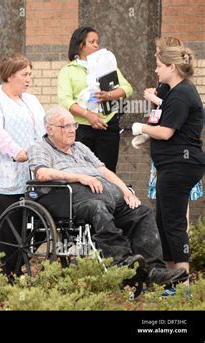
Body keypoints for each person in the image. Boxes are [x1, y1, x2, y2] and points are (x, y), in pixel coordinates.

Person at [28, 105, 188, 285]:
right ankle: (122, 263)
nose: (72, 130)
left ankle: (154, 270)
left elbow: (105, 172)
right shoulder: (39, 147)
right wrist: (80, 177)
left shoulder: (80, 147)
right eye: (65, 126)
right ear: (50, 129)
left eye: (74, 125)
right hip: (72, 199)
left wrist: (125, 191)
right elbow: (42, 174)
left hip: (108, 195)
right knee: (98, 208)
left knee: (141, 211)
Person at [131, 45, 205, 282]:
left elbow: (166, 133)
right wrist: (147, 135)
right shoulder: (173, 92)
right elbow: (164, 125)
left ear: (172, 67)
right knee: (163, 222)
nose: (156, 70)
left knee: (173, 224)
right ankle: (171, 277)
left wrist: (141, 128)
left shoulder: (182, 93)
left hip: (180, 165)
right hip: (170, 166)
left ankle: (182, 280)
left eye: (159, 66)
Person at [0, 53, 45, 269]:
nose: (29, 79)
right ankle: (8, 274)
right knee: (8, 230)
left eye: (30, 74)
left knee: (29, 229)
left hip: (31, 174)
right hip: (3, 174)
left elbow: (42, 130)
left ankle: (21, 268)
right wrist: (16, 151)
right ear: (9, 76)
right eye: (24, 74)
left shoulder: (31, 100)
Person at [57, 26, 133, 172]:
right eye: (92, 42)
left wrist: (108, 95)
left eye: (98, 42)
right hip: (81, 128)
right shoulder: (68, 71)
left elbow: (127, 89)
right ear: (80, 44)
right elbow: (65, 100)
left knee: (108, 172)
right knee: (83, 171)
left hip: (107, 126)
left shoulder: (107, 66)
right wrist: (88, 115)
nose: (97, 45)